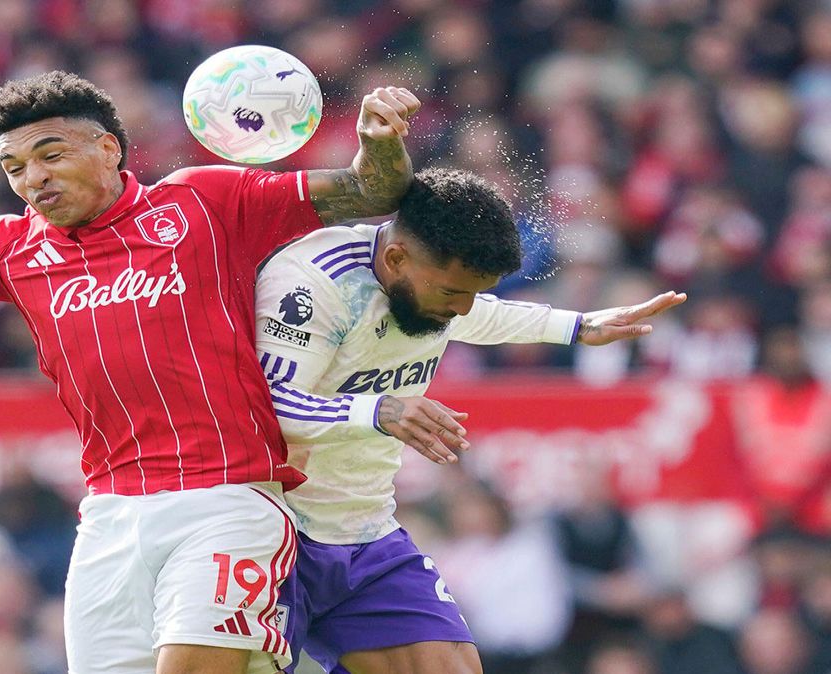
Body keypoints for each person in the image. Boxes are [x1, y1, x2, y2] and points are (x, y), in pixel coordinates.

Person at [0, 70, 421, 674]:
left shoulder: (201, 202)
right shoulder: (3, 246)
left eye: (50, 154)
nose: (32, 179)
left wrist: (380, 141)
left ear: (108, 148)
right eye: (13, 166)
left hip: (227, 500)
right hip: (109, 516)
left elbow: (370, 188)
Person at [253, 167, 686, 674]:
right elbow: (266, 409)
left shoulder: (428, 283)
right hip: (272, 532)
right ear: (396, 259)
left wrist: (578, 326)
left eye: (471, 294)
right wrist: (379, 410)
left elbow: (480, 312)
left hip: (362, 532)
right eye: (452, 295)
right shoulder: (315, 284)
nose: (461, 311)